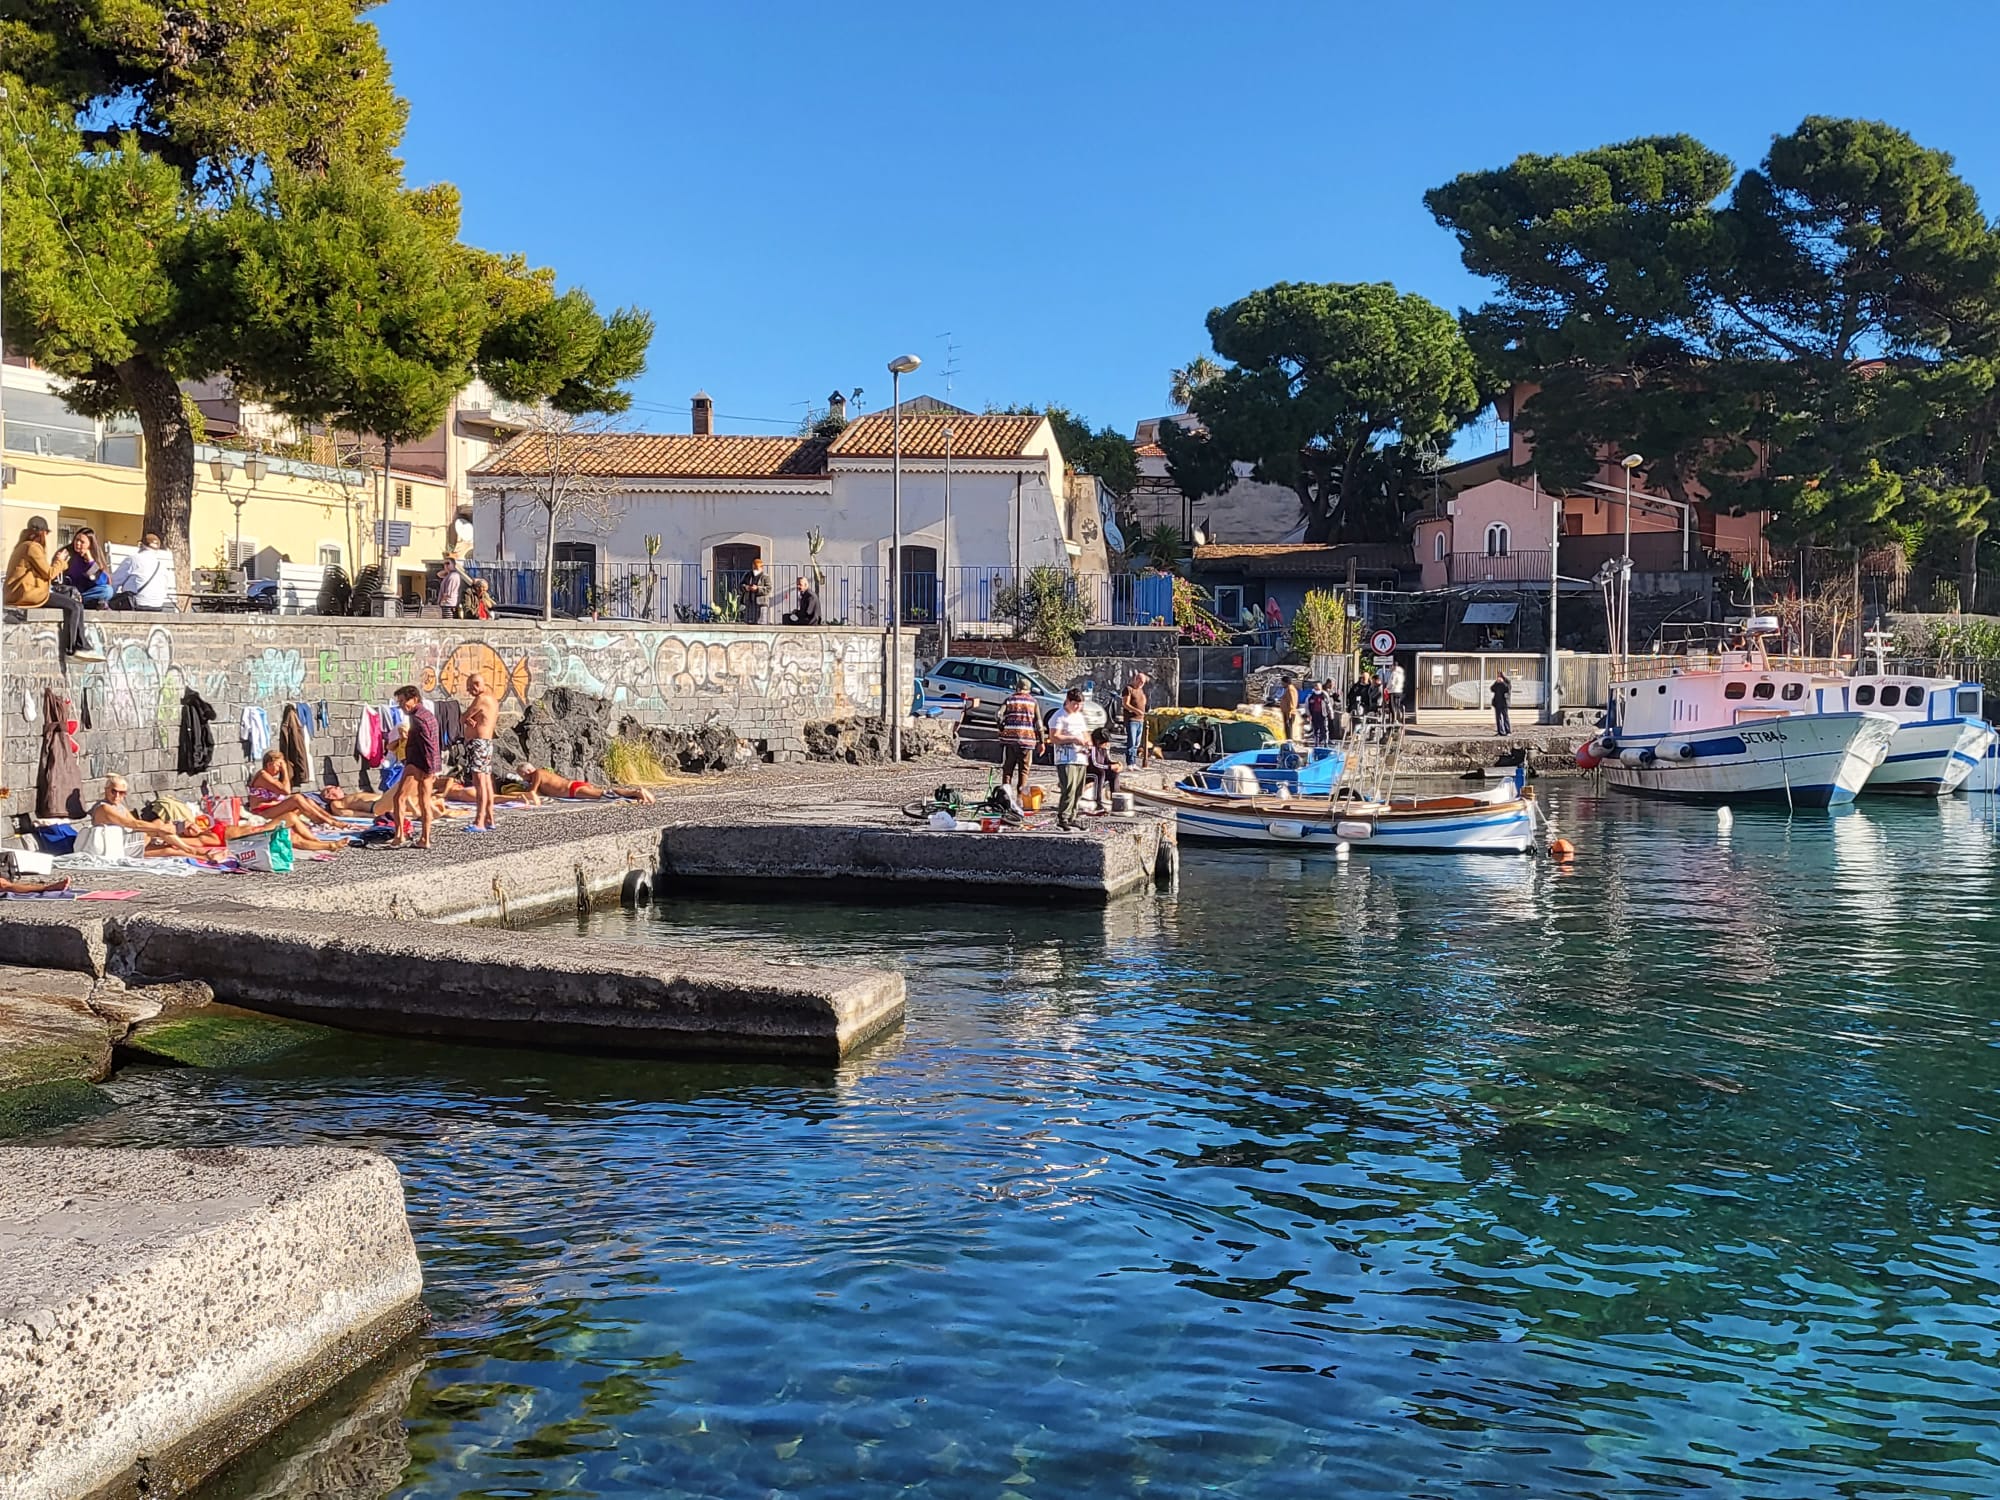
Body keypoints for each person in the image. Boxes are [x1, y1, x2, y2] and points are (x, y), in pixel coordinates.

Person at [5, 517, 100, 660]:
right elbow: (49, 573)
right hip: (27, 593)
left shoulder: (23, 545)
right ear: (42, 533)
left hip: (22, 592)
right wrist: (60, 560)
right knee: (74, 606)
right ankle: (73, 648)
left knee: (75, 605)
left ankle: (82, 646)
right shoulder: (33, 547)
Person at [88, 775, 202, 856]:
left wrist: (162, 828)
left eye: (122, 793)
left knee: (167, 849)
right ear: (106, 790)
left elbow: (136, 823)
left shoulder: (120, 807)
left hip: (124, 842)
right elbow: (133, 824)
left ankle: (202, 856)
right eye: (114, 791)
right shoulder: (104, 808)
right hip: (114, 845)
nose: (117, 796)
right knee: (158, 826)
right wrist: (161, 828)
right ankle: (190, 849)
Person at [390, 685, 441, 848]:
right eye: (400, 702)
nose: (402, 705)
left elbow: (429, 743)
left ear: (415, 699)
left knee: (399, 797)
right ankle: (425, 838)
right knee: (424, 801)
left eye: (404, 701)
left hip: (419, 762)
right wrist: (434, 767)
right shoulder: (427, 715)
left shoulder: (418, 717)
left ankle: (399, 836)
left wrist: (430, 769)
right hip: (427, 763)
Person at [246, 750, 343, 828]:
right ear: (269, 764)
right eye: (278, 765)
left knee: (308, 801)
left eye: (281, 766)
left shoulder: (270, 777)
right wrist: (285, 771)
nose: (280, 769)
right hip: (262, 812)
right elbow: (286, 791)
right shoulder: (263, 776)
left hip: (273, 809)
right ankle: (329, 821)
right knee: (296, 798)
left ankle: (332, 819)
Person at [1048, 688, 1093, 830]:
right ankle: (1063, 817)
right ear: (1067, 701)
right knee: (1069, 788)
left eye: (1080, 704)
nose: (1078, 707)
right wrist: (1073, 738)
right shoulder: (1059, 716)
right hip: (1066, 758)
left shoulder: (1079, 716)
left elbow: (1086, 734)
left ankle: (1073, 816)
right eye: (1075, 704)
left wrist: (1088, 743)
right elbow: (1054, 737)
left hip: (1081, 757)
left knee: (1079, 790)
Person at [502, 762, 657, 804]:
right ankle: (635, 794)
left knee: (603, 795)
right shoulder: (540, 774)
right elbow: (542, 792)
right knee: (602, 794)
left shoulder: (537, 774)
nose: (524, 779)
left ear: (528, 771)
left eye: (522, 776)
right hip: (573, 789)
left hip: (573, 790)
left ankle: (636, 792)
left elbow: (533, 793)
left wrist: (511, 794)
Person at [461, 671, 499, 831]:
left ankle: (479, 821)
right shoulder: (492, 700)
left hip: (478, 744)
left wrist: (466, 718)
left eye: (474, 685)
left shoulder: (482, 699)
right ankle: (490, 818)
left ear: (482, 684)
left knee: (480, 782)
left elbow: (463, 717)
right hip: (484, 744)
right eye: (469, 686)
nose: (471, 689)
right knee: (486, 781)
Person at [999, 676, 1041, 796]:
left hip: (1010, 739)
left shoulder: (1010, 700)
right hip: (1027, 741)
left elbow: (998, 715)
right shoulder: (1033, 702)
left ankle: (1005, 795)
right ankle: (1020, 796)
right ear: (1028, 690)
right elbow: (1039, 723)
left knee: (1008, 769)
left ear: (1017, 688)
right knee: (1024, 770)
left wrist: (1001, 728)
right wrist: (1041, 740)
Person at [109, 532, 172, 610]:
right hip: (157, 606)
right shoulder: (162, 565)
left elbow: (114, 582)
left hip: (135, 605)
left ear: (141, 545)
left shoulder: (133, 559)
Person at [60, 528, 114, 608]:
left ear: (90, 545)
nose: (78, 543)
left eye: (82, 542)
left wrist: (90, 562)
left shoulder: (94, 558)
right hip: (69, 592)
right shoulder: (67, 554)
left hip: (86, 594)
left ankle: (83, 601)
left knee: (107, 591)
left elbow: (103, 582)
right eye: (76, 540)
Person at [1085, 727, 1120, 812]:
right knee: (1099, 774)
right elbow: (1095, 763)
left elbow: (1107, 761)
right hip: (1089, 772)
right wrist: (1109, 767)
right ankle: (1098, 802)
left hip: (1100, 770)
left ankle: (1115, 799)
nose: (1106, 744)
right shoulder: (1092, 748)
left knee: (1113, 774)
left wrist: (1116, 765)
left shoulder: (1104, 749)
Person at [1121, 673, 1149, 768]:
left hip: (1140, 720)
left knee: (1137, 743)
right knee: (1131, 742)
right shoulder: (1128, 689)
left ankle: (1134, 762)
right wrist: (1136, 711)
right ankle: (1129, 762)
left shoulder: (1141, 690)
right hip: (1132, 719)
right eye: (1140, 681)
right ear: (1136, 679)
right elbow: (1125, 704)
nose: (1141, 684)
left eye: (1143, 682)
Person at [739, 558, 771, 624]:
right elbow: (740, 585)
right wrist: (746, 587)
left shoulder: (765, 577)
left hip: (761, 604)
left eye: (756, 568)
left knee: (761, 622)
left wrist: (757, 589)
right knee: (749, 623)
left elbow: (768, 588)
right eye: (754, 568)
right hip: (749, 603)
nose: (755, 570)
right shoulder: (747, 575)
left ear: (761, 568)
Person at [1305, 680, 1328, 747]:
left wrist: (1331, 713)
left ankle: (1325, 743)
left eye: (1318, 687)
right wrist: (1309, 714)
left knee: (1324, 729)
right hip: (1314, 715)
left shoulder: (1324, 695)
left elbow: (1328, 704)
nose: (1317, 688)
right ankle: (1316, 744)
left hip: (1323, 714)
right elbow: (1307, 706)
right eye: (1316, 687)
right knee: (1316, 730)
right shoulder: (1310, 696)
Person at [1491, 671, 1513, 736]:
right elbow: (1492, 689)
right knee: (1498, 718)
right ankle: (1500, 731)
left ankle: (1508, 731)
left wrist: (1502, 682)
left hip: (1504, 702)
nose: (1498, 677)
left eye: (1499, 675)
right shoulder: (1497, 683)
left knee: (1505, 717)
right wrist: (1496, 683)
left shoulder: (1507, 682)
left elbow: (1507, 689)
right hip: (1497, 702)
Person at [1279, 675, 1299, 743]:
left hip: (1289, 713)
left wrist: (1289, 714)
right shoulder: (1288, 689)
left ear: (1286, 682)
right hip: (1286, 712)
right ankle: (1288, 742)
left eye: (1282, 683)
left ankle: (1290, 744)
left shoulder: (1291, 689)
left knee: (1289, 729)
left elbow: (1292, 702)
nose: (1282, 684)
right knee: (1287, 729)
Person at [1386, 660, 1407, 724]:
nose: (1389, 668)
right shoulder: (1401, 673)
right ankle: (1398, 718)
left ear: (1393, 666)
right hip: (1399, 691)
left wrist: (1387, 687)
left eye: (1390, 666)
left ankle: (1394, 720)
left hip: (1393, 691)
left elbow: (1392, 683)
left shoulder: (1394, 673)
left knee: (1392, 706)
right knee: (1397, 705)